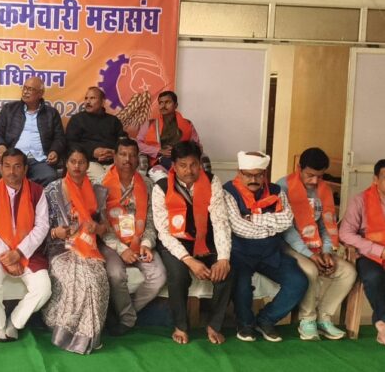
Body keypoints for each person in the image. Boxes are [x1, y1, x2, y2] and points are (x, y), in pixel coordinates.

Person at [152, 140, 233, 345]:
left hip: (204, 240)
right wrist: (189, 261)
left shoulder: (212, 182)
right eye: (183, 165)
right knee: (178, 275)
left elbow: (220, 221)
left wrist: (223, 258)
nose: (189, 171)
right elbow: (164, 232)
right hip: (175, 242)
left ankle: (214, 325)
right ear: (173, 165)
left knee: (226, 272)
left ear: (200, 163)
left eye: (193, 164)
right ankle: (181, 325)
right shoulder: (161, 188)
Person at [223, 151, 307, 342]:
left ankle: (266, 320)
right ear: (239, 172)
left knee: (298, 281)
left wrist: (252, 219)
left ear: (265, 174)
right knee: (242, 286)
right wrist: (271, 228)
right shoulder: (228, 191)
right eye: (248, 175)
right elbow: (239, 227)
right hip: (240, 253)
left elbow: (286, 220)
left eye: (258, 175)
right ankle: (245, 324)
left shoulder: (276, 191)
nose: (253, 179)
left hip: (271, 253)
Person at [278, 147, 356, 341]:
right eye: (310, 175)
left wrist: (327, 252)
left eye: (319, 176)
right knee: (311, 270)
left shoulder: (324, 190)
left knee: (348, 272)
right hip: (289, 246)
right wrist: (310, 255)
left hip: (317, 246)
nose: (314, 181)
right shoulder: (282, 187)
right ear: (299, 168)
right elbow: (286, 230)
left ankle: (324, 317)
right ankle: (307, 319)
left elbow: (326, 225)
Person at [0, 148, 51, 342]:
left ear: (25, 169)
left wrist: (19, 252)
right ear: (0, 168)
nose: (12, 172)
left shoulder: (37, 191)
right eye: (7, 166)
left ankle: (15, 322)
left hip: (29, 251)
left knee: (44, 289)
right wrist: (7, 256)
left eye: (17, 166)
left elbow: (42, 226)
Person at [42, 146, 109, 354]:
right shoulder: (52, 191)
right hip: (60, 249)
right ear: (66, 164)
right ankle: (63, 330)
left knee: (95, 280)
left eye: (81, 162)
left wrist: (97, 228)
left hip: (88, 248)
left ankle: (88, 337)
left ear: (88, 165)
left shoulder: (98, 191)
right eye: (73, 162)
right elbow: (40, 228)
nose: (77, 166)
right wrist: (55, 232)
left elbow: (105, 227)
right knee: (74, 280)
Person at [99, 138, 166, 336]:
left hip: (139, 240)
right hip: (111, 244)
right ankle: (127, 318)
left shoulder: (147, 184)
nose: (127, 159)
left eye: (132, 155)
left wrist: (146, 243)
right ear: (114, 157)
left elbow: (151, 220)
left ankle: (125, 314)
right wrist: (121, 249)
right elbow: (101, 225)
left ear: (138, 159)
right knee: (116, 274)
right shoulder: (101, 185)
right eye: (122, 154)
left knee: (159, 276)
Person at [340, 159, 385, 345]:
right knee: (374, 277)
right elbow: (345, 233)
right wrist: (379, 250)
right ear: (375, 179)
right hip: (369, 255)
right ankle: (383, 323)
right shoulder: (360, 201)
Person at [0, 76, 65, 186]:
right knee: (9, 176)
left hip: (40, 159)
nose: (25, 92)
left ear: (40, 93)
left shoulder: (51, 113)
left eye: (30, 89)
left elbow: (60, 138)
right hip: (14, 159)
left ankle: (34, 197)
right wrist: (0, 146)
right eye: (24, 88)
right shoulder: (9, 109)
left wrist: (55, 150)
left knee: (50, 176)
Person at [66, 87, 126, 180]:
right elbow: (70, 144)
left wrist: (114, 152)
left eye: (92, 98)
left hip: (112, 161)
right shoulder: (77, 120)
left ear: (102, 102)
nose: (87, 102)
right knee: (104, 180)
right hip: (88, 161)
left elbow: (123, 142)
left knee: (122, 177)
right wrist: (92, 152)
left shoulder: (113, 121)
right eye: (86, 98)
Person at [136, 91, 200, 173]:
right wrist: (159, 150)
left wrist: (179, 150)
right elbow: (138, 144)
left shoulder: (187, 124)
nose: (163, 106)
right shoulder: (149, 124)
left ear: (176, 105)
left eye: (167, 102)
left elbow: (197, 146)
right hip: (158, 162)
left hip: (183, 161)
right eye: (161, 103)